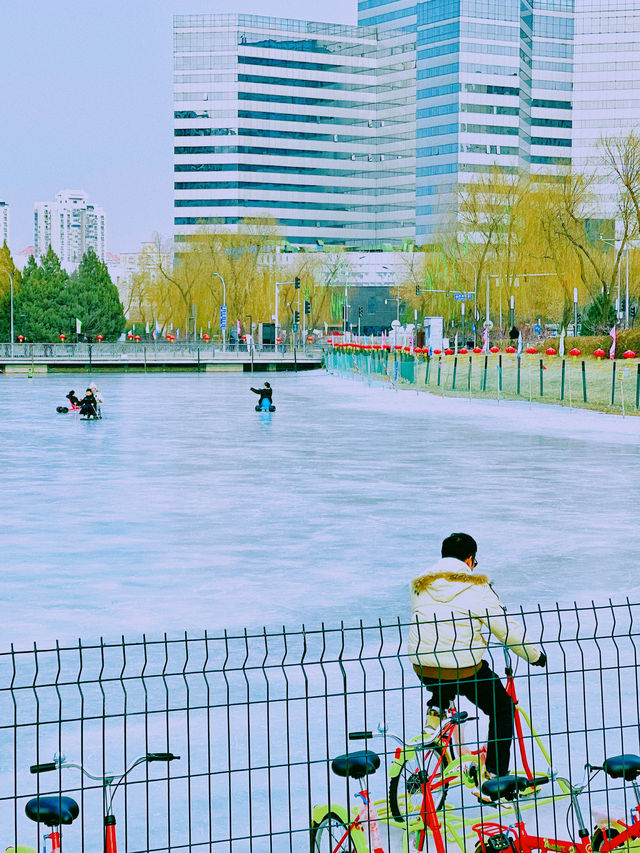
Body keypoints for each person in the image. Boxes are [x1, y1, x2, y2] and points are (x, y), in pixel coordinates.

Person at [408, 532, 546, 791]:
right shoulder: (476, 586)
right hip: (462, 667)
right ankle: (494, 776)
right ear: (470, 559)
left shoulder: (420, 585)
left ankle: (437, 706)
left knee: (444, 667)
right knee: (502, 708)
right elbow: (505, 628)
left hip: (423, 665)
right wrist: (534, 655)